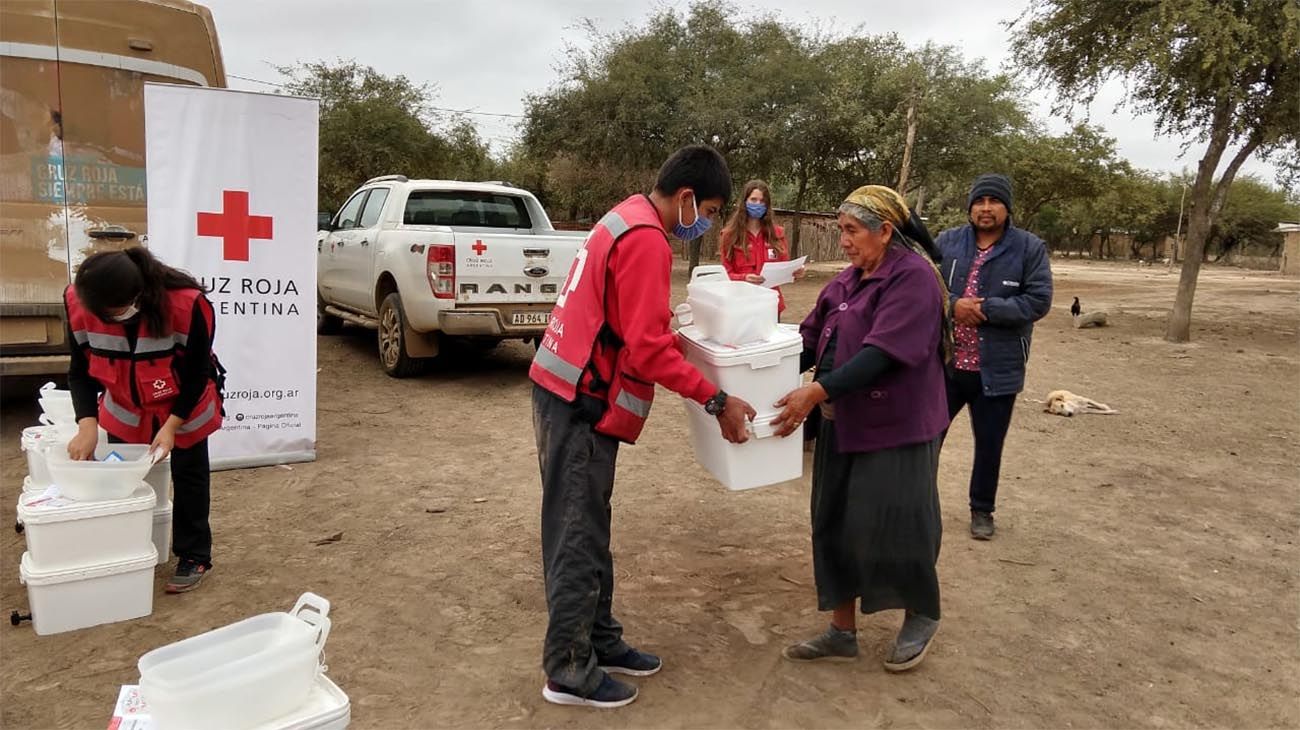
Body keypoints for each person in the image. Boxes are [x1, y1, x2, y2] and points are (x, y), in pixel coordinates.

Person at [529, 145, 757, 708]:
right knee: (577, 534)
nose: (703, 222)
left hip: (568, 391)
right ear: (685, 198)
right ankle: (569, 669)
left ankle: (599, 639)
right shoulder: (647, 239)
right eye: (706, 209)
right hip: (581, 401)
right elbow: (647, 349)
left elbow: (632, 321)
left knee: (588, 525)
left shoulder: (626, 215)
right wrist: (716, 397)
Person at [770, 185, 951, 672]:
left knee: (899, 524)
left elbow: (881, 354)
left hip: (897, 426)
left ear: (885, 230)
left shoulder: (912, 279)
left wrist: (816, 391)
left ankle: (921, 614)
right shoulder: (846, 283)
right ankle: (842, 630)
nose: (844, 241)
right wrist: (752, 369)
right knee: (833, 522)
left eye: (851, 231)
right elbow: (807, 341)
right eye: (840, 231)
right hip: (841, 424)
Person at [64, 247, 225, 593]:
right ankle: (128, 549)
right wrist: (87, 423)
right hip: (126, 409)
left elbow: (198, 373)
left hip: (185, 406)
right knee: (126, 483)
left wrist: (171, 427)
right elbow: (79, 370)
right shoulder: (80, 303)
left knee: (190, 478)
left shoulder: (187, 305)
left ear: (139, 296)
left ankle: (194, 554)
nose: (108, 321)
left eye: (116, 313)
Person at [938, 173, 1053, 540]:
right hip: (947, 363)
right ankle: (916, 504)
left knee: (989, 444)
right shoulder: (948, 242)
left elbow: (1038, 301)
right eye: (979, 202)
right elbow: (926, 287)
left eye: (993, 202)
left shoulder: (1029, 248)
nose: (985, 209)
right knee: (926, 438)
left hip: (997, 368)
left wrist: (986, 310)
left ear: (1007, 208)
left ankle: (982, 510)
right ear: (970, 207)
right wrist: (955, 306)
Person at [718, 179, 803, 314]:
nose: (758, 204)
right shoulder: (729, 236)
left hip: (771, 306)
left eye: (762, 201)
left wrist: (795, 271)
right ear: (744, 202)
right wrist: (744, 278)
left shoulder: (777, 234)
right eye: (753, 200)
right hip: (741, 306)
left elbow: (784, 267)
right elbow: (725, 274)